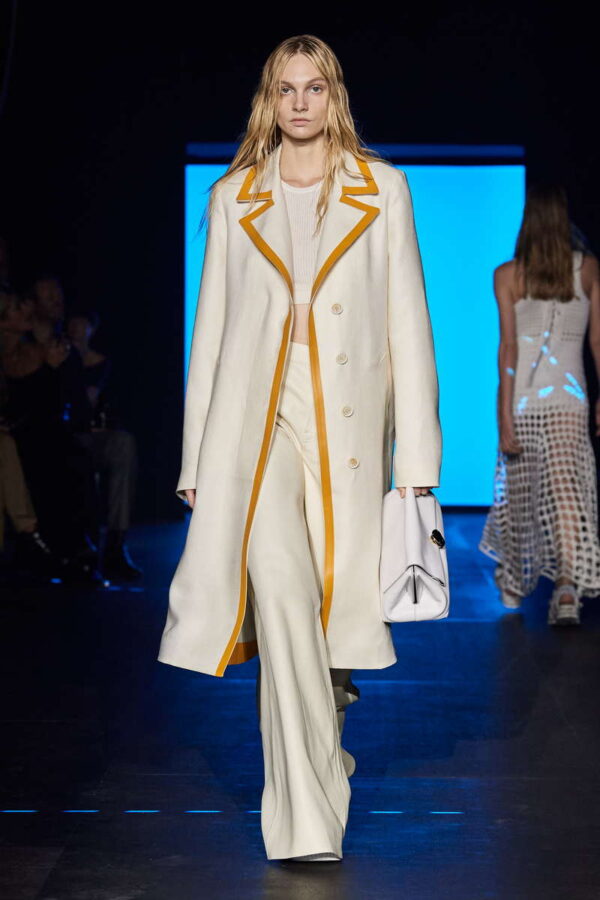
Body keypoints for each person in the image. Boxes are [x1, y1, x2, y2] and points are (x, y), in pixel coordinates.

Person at [158, 34, 442, 862]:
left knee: (327, 623)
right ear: (269, 100)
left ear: (334, 95)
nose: (301, 103)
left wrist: (418, 466)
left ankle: (323, 751)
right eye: (286, 90)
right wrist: (194, 460)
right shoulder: (235, 196)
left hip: (347, 435)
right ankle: (307, 823)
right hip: (256, 433)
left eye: (314, 88)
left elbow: (409, 326)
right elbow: (210, 334)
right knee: (281, 597)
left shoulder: (381, 189)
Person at [479, 183, 600, 626]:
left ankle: (514, 581)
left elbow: (508, 350)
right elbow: (598, 342)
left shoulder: (508, 274)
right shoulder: (587, 269)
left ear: (527, 221)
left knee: (521, 492)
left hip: (525, 402)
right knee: (567, 491)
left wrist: (504, 415)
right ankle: (566, 587)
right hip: (571, 399)